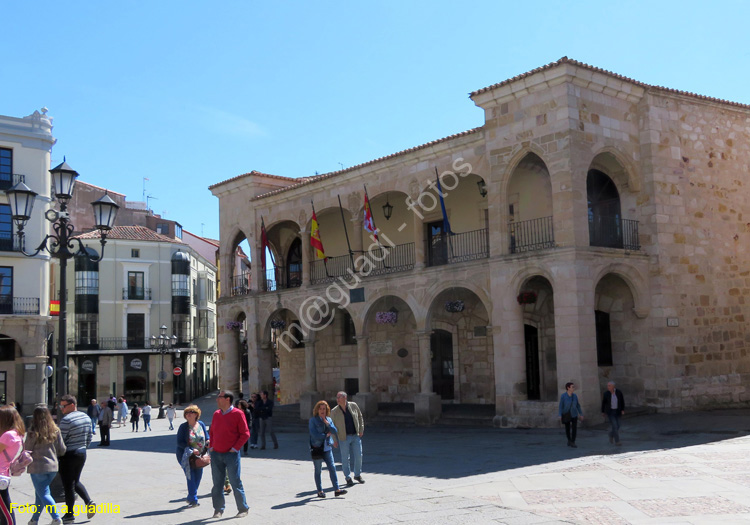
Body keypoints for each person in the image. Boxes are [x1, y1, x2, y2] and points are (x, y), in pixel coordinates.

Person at [209, 390, 250, 519]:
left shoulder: (238, 414)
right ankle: (218, 510)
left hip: (231, 454)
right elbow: (212, 432)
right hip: (216, 454)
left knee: (235, 482)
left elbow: (245, 434)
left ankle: (243, 508)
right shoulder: (216, 414)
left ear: (227, 399)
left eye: (219, 397)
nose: (217, 399)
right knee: (217, 484)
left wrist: (235, 448)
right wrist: (211, 447)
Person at [24, 406, 66, 525]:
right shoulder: (55, 430)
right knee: (40, 494)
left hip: (37, 467)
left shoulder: (33, 431)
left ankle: (56, 518)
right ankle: (34, 520)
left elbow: (27, 449)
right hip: (52, 467)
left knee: (44, 494)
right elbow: (62, 449)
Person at [58, 395, 96, 524]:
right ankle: (89, 502)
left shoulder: (66, 420)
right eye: (61, 406)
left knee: (68, 485)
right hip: (81, 452)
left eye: (64, 406)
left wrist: (58, 454)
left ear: (72, 405)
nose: (61, 409)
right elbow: (90, 436)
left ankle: (69, 515)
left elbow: (60, 441)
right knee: (75, 480)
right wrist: (83, 447)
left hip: (68, 454)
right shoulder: (85, 417)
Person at [309, 400, 346, 498]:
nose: (322, 411)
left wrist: (327, 423)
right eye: (320, 409)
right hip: (317, 448)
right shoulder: (313, 420)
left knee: (332, 468)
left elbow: (334, 430)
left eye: (324, 409)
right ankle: (320, 491)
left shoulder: (329, 419)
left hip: (327, 448)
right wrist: (325, 435)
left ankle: (337, 489)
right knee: (318, 470)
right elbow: (314, 435)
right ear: (317, 410)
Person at [176, 405, 209, 509]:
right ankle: (194, 499)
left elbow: (207, 436)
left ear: (196, 414)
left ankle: (191, 496)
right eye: (186, 413)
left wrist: (208, 441)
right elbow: (179, 442)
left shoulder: (201, 424)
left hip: (200, 455)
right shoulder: (183, 427)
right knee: (191, 476)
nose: (188, 414)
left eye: (191, 412)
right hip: (186, 455)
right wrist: (191, 449)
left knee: (198, 475)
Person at [331, 391, 365, 486]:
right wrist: (334, 439)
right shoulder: (334, 411)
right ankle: (348, 477)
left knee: (359, 455)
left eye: (339, 397)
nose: (337, 399)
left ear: (345, 398)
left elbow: (359, 417)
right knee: (345, 458)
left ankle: (357, 475)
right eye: (337, 397)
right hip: (343, 437)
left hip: (355, 435)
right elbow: (331, 426)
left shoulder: (353, 405)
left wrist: (361, 429)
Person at [0, 405, 25, 525]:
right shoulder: (16, 433)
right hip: (4, 472)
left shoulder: (8, 435)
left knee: (5, 510)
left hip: (0, 473)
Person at [558, 382, 584, 448]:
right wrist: (560, 415)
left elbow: (578, 405)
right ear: (568, 388)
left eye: (573, 387)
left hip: (574, 414)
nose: (573, 388)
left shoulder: (575, 396)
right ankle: (569, 440)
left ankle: (573, 441)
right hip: (566, 414)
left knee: (574, 428)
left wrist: (581, 414)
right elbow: (561, 406)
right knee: (567, 428)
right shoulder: (563, 396)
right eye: (572, 387)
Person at [601, 381, 625, 445]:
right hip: (610, 412)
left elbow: (622, 401)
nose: (608, 387)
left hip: (617, 411)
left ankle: (611, 434)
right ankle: (617, 441)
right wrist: (603, 411)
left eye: (609, 386)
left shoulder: (618, 392)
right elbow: (603, 403)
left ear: (613, 386)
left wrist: (622, 409)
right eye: (607, 386)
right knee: (614, 426)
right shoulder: (606, 394)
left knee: (618, 425)